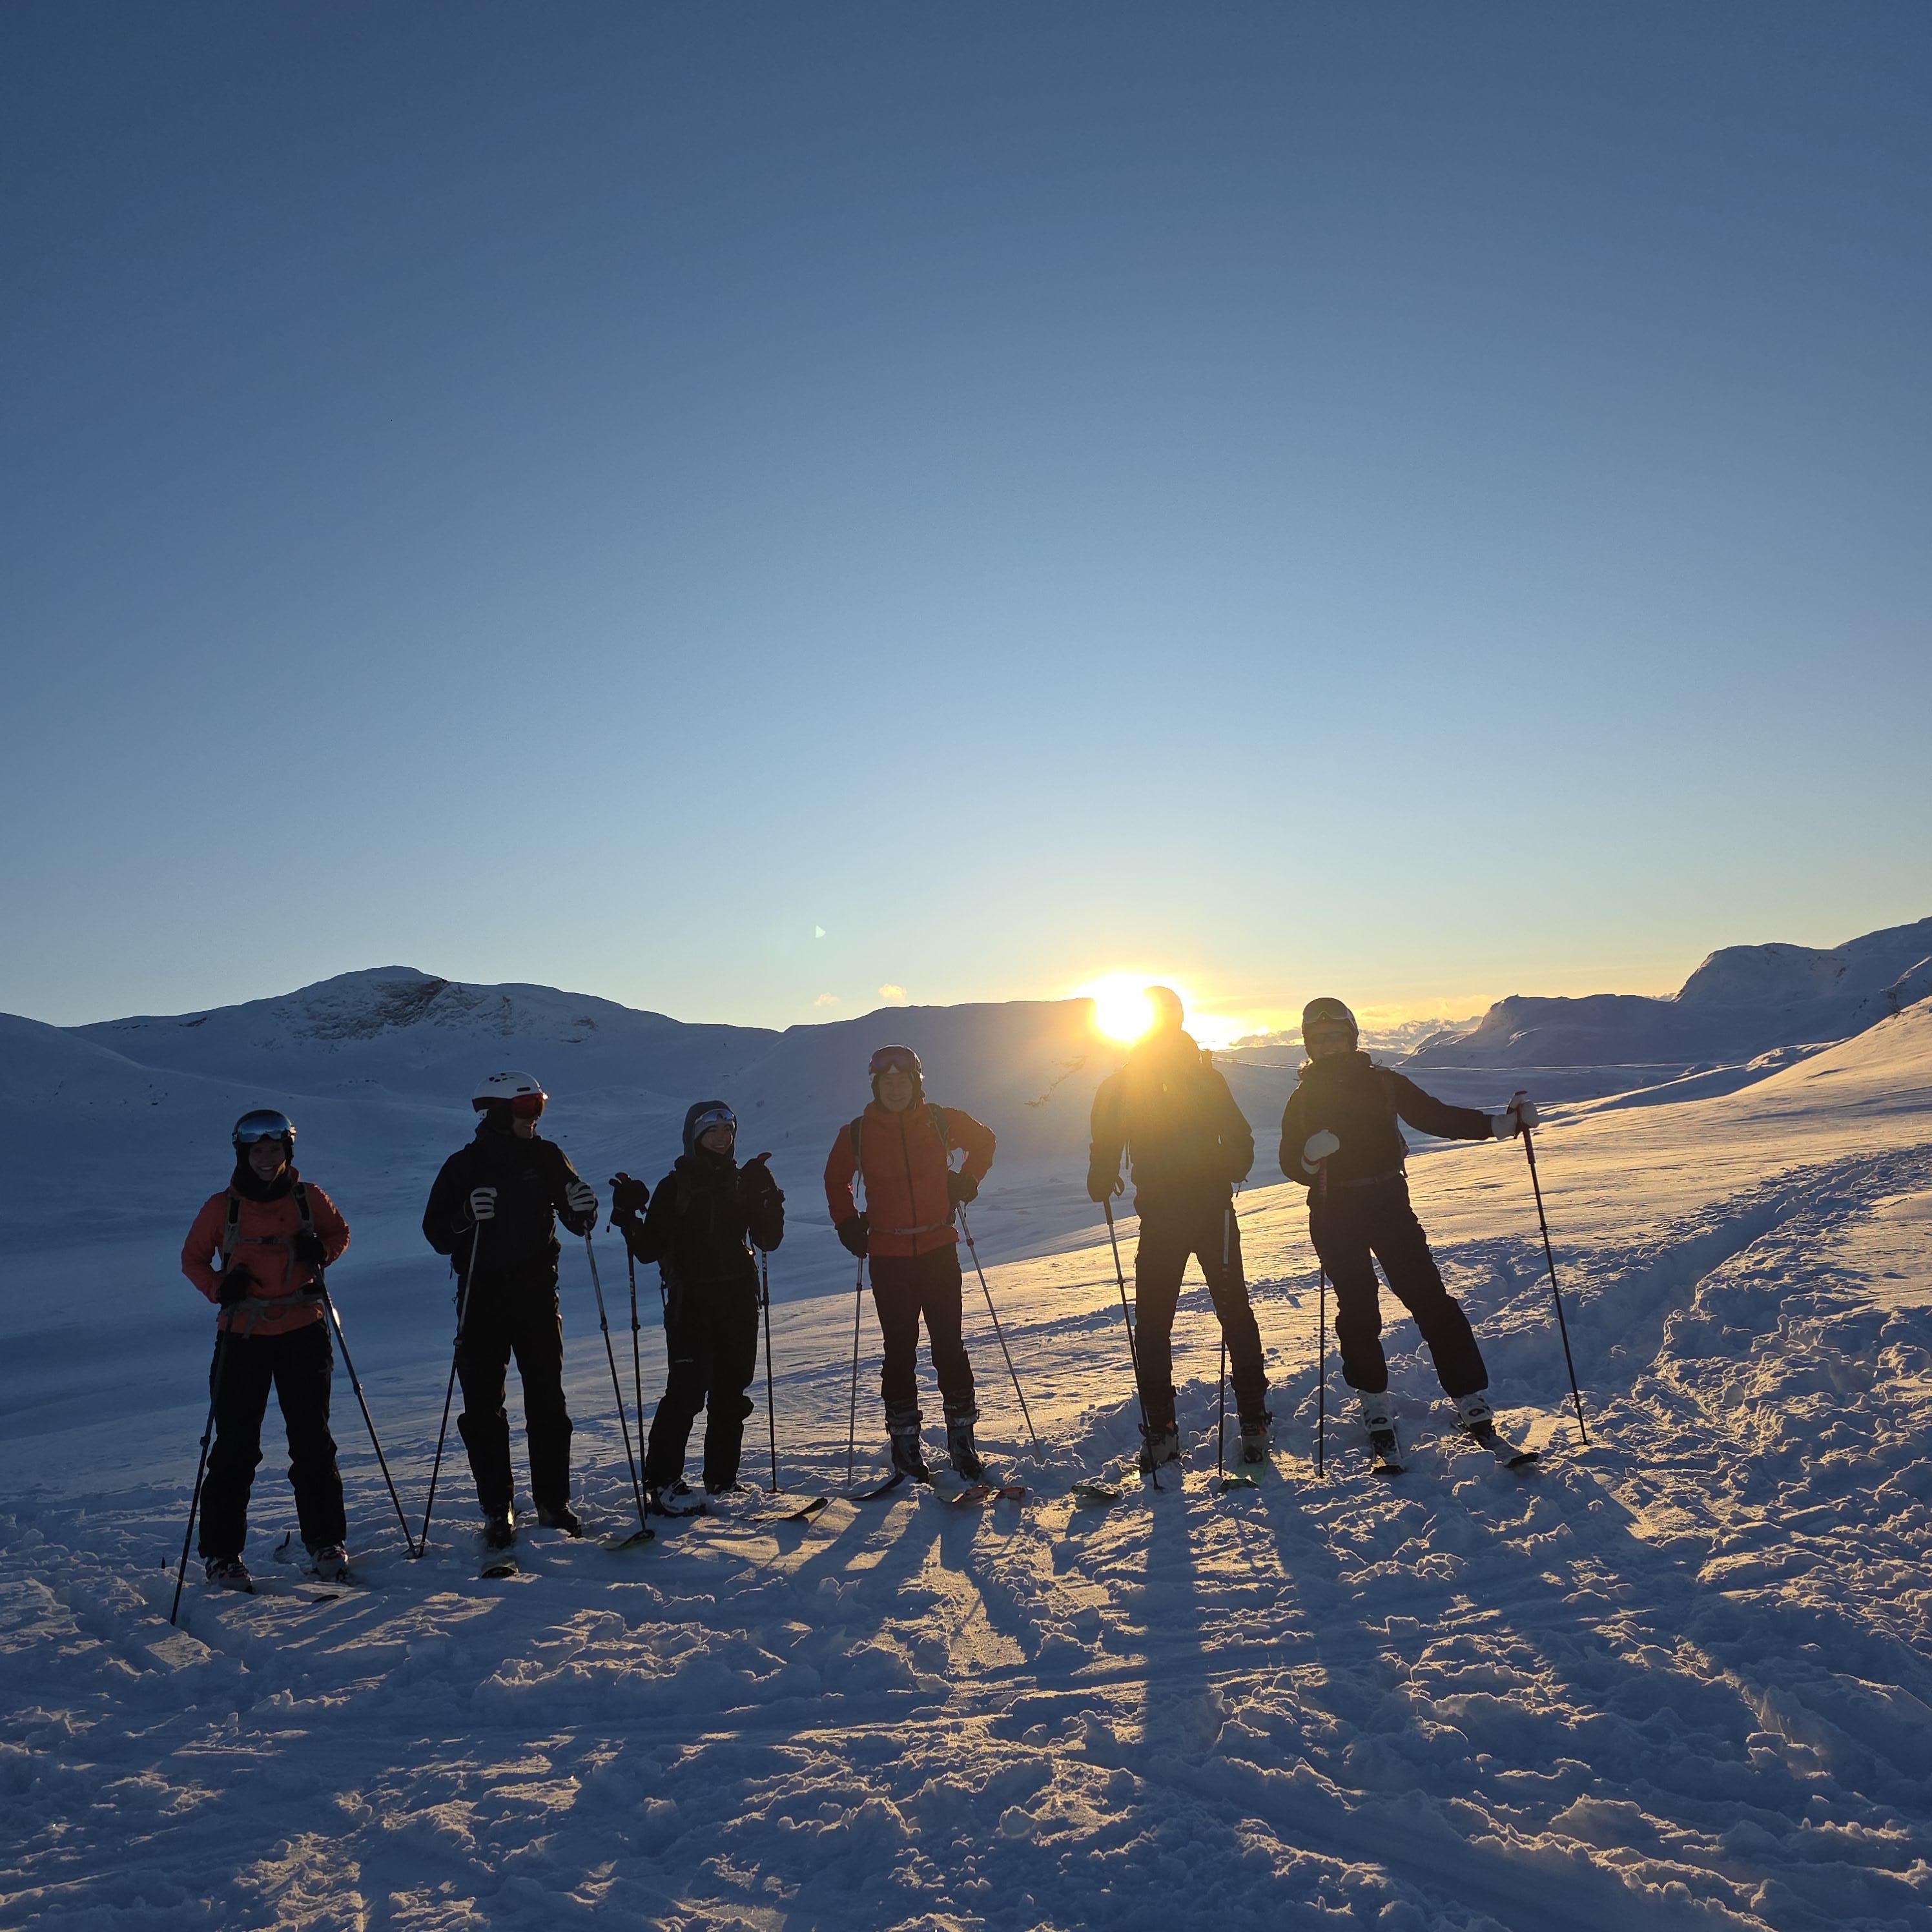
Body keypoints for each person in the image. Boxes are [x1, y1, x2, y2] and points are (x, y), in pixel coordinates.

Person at [1277, 997, 1537, 1458]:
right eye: (1320, 1039)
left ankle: (1468, 1395)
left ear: (1352, 1038)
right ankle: (1374, 1400)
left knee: (1429, 1299)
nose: (1329, 1046)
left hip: (1387, 1205)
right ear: (1308, 1045)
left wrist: (1501, 1125)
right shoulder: (1302, 1098)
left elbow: (1435, 1116)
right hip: (1335, 1212)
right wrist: (1308, 1159)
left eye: (1336, 1036)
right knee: (1359, 1308)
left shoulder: (1384, 1084)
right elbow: (1289, 1163)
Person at [1087, 987, 1269, 1470]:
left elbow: (1105, 1139)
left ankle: (1165, 1430)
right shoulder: (1201, 1077)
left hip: (1173, 1216)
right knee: (1230, 1312)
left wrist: (1102, 1173)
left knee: (1156, 1324)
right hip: (1207, 1212)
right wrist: (1230, 1165)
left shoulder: (1127, 1082)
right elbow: (1240, 1138)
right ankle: (1251, 1419)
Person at [421, 1071, 599, 1551]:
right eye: (525, 1108)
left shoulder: (546, 1156)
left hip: (538, 1295)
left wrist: (584, 1207)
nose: (534, 1117)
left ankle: (553, 1503)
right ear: (499, 1113)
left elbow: (577, 1216)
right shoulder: (464, 1166)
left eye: (539, 1106)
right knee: (483, 1407)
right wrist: (465, 1216)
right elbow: (437, 1234)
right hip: (481, 1299)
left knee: (548, 1401)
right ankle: (497, 1507)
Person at [180, 1109, 352, 1588]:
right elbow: (193, 1260)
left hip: (302, 1330)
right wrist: (220, 1288)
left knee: (312, 1441)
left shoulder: (308, 1197)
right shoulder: (222, 1208)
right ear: (243, 1154)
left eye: (274, 1150)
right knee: (236, 1447)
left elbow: (338, 1233)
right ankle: (222, 1555)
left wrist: (322, 1252)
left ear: (286, 1152)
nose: (266, 1159)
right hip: (244, 1335)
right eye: (257, 1151)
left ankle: (326, 1541)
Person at [824, 1045, 996, 1481]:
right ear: (876, 1086)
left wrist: (967, 1181)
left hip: (938, 1250)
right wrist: (847, 1223)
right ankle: (905, 1446)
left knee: (949, 1346)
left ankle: (962, 1442)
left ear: (917, 1083)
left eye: (903, 1081)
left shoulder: (939, 1120)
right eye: (887, 1082)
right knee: (899, 1351)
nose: (896, 1088)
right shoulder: (858, 1133)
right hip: (889, 1256)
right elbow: (835, 1178)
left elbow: (985, 1142)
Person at [610, 1101, 785, 1514]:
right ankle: (662, 1483)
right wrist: (627, 1215)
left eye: (728, 1131)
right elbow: (648, 1250)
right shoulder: (675, 1186)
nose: (722, 1139)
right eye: (713, 1132)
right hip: (692, 1304)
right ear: (695, 1137)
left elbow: (768, 1240)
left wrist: (768, 1197)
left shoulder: (741, 1182)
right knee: (686, 1393)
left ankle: (722, 1480)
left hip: (738, 1300)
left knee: (730, 1393)